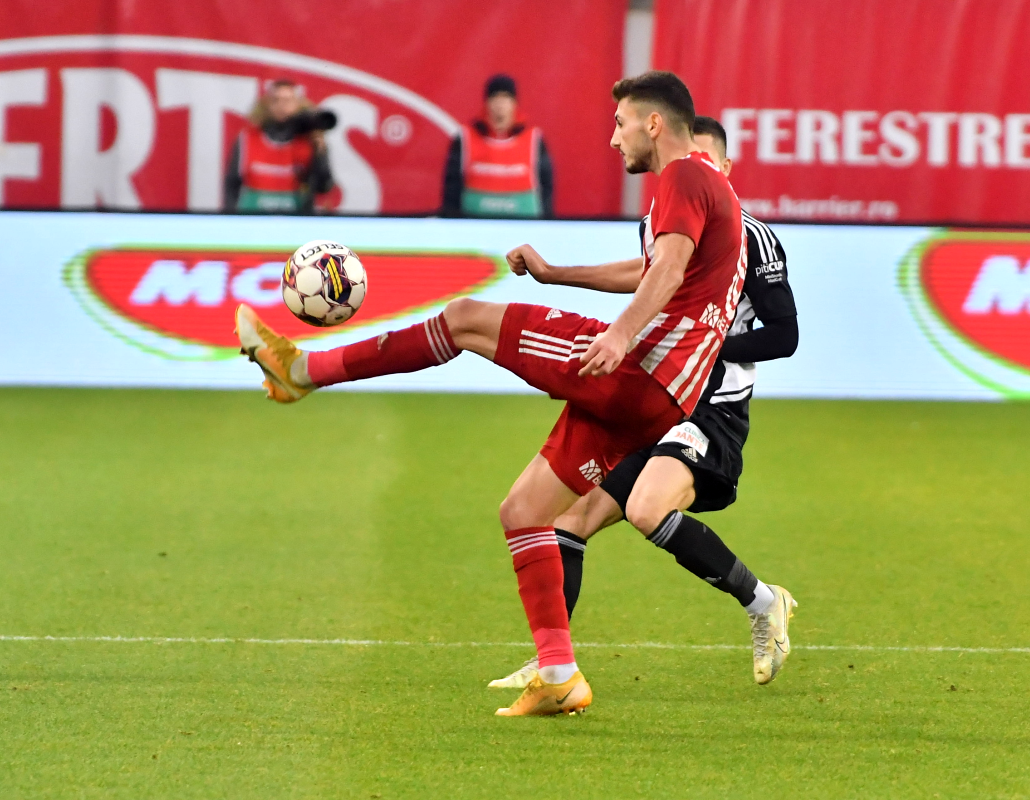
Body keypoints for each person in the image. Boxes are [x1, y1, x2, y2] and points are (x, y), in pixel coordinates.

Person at [235, 71, 762, 717]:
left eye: (621, 122)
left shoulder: (682, 177)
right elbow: (658, 269)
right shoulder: (715, 189)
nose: (612, 136)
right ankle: (559, 674)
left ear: (654, 124)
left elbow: (671, 269)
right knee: (524, 511)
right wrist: (556, 274)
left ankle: (302, 371)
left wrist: (622, 337)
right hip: (663, 397)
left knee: (464, 320)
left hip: (636, 370)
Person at [489, 116, 800, 691]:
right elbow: (645, 275)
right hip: (652, 397)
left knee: (646, 509)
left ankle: (762, 603)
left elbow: (785, 335)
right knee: (569, 520)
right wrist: (556, 275)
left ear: (724, 170)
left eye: (706, 161)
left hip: (710, 409)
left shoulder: (752, 236)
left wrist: (701, 342)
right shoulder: (661, 220)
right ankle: (553, 661)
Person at [441, 74, 555, 218]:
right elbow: (452, 189)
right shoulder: (465, 139)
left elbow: (546, 190)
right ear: (487, 102)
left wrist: (546, 224)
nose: (500, 104)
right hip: (474, 229)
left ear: (514, 103)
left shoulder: (534, 140)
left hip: (525, 228)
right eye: (495, 97)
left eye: (506, 98)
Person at [223, 79, 334, 214]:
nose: (282, 106)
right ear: (268, 105)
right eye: (276, 100)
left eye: (288, 101)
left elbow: (323, 186)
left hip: (295, 219)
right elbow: (232, 184)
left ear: (298, 105)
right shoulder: (248, 138)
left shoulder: (308, 142)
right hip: (254, 218)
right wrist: (231, 217)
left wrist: (320, 153)